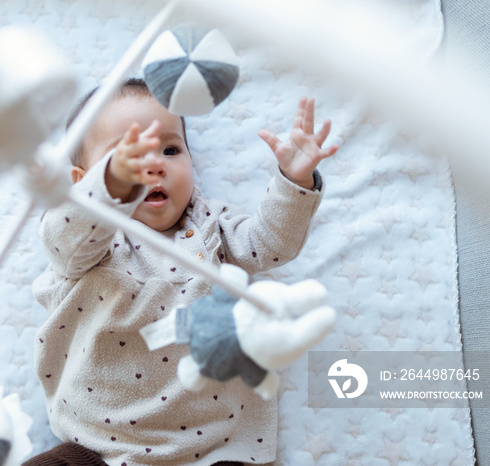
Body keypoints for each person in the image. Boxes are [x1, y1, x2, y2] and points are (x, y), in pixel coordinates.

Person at [24, 78, 338, 466]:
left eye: (170, 149)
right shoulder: (86, 241)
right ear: (82, 182)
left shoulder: (210, 225)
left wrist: (295, 180)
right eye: (126, 157)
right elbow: (64, 235)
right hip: (97, 447)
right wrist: (109, 191)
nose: (154, 164)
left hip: (215, 449)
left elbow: (271, 244)